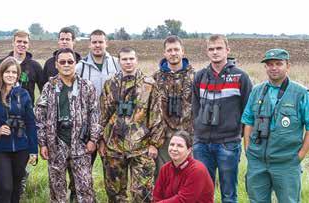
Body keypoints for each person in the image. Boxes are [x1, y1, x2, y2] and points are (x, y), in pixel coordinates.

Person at [242, 48, 309, 203]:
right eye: (270, 64)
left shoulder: (300, 93)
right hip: (257, 161)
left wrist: (299, 157)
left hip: (286, 163)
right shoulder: (257, 91)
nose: (274, 67)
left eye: (279, 64)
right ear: (265, 67)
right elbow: (248, 121)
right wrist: (248, 149)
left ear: (288, 66)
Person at [192, 34, 252, 203]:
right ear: (207, 52)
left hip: (228, 143)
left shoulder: (240, 77)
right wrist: (197, 131)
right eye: (211, 49)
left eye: (219, 48)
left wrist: (236, 135)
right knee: (203, 193)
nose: (215, 52)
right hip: (202, 144)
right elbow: (194, 107)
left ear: (227, 50)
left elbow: (248, 111)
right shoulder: (200, 76)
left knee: (228, 194)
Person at [35, 48, 100, 203]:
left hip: (81, 144)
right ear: (56, 65)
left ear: (75, 64)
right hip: (56, 143)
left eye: (70, 61)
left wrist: (93, 139)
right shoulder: (49, 87)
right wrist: (43, 143)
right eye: (62, 62)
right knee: (57, 189)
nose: (66, 65)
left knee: (85, 188)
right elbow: (40, 117)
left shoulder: (87, 86)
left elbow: (95, 114)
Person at [98, 47, 163, 202]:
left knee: (143, 193)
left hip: (142, 147)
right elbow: (103, 114)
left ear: (136, 60)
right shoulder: (110, 84)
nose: (128, 62)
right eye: (124, 59)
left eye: (131, 59)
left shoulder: (149, 84)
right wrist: (100, 140)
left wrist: (154, 144)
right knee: (115, 193)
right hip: (114, 147)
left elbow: (156, 115)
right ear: (119, 61)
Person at [0, 57, 38, 203]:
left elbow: (30, 123)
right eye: (7, 72)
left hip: (22, 147)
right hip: (0, 148)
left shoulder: (24, 94)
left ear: (18, 75)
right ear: (1, 73)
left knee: (16, 188)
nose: (11, 75)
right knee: (5, 187)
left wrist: (33, 150)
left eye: (14, 72)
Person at [152, 36, 195, 178]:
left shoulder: (195, 76)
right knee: (164, 177)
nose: (173, 53)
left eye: (176, 49)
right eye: (169, 50)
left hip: (188, 137)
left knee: (188, 177)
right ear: (164, 53)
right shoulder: (155, 78)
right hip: (163, 139)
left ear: (183, 51)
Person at [153, 131, 214, 203]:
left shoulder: (197, 170)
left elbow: (184, 200)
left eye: (180, 146)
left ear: (189, 150)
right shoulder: (165, 169)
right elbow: (157, 196)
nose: (174, 149)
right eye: (172, 144)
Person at [0, 31, 42, 103]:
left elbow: (44, 91)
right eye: (19, 41)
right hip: (3, 109)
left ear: (28, 45)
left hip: (26, 111)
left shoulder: (35, 66)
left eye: (25, 42)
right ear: (13, 43)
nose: (22, 44)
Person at [75, 29, 121, 98]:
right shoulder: (80, 67)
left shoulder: (117, 63)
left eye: (100, 42)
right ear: (89, 44)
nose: (97, 45)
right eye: (94, 42)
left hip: (112, 108)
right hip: (89, 108)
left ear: (106, 44)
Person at [39, 27, 82, 91]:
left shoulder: (81, 63)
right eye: (62, 39)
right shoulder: (49, 63)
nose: (64, 42)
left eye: (67, 39)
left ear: (73, 41)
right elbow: (43, 86)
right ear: (58, 41)